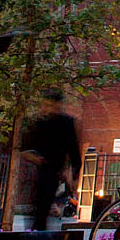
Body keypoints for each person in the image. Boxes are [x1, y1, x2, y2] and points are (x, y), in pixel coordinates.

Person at [19, 89, 80, 232]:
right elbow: (26, 146)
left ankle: (38, 234)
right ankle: (37, 233)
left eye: (50, 105)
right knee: (39, 209)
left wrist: (73, 174)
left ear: (57, 105)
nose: (47, 108)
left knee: (42, 209)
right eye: (45, 105)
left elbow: (73, 150)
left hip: (53, 170)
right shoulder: (40, 123)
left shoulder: (65, 123)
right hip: (41, 168)